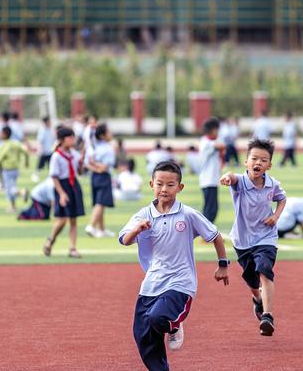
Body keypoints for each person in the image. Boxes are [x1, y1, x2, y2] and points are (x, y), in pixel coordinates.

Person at [119, 161, 229, 371]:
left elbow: (215, 235)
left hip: (180, 282)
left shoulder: (187, 214)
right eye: (159, 184)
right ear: (152, 184)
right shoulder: (144, 215)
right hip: (152, 282)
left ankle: (174, 325)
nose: (164, 189)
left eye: (170, 184)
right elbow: (124, 240)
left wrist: (223, 264)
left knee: (159, 317)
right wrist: (138, 230)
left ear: (180, 187)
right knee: (142, 334)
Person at [220, 139, 286, 336]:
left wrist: (275, 216)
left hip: (266, 238)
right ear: (246, 162)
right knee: (251, 280)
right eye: (254, 158)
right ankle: (257, 299)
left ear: (269, 165)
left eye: (263, 160)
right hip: (242, 241)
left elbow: (282, 199)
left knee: (265, 270)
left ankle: (267, 315)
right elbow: (231, 177)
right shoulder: (240, 182)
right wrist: (226, 177)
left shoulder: (272, 185)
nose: (258, 163)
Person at [43, 127, 85, 259]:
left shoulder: (74, 154)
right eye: (70, 137)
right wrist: (61, 193)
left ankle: (72, 248)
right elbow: (54, 177)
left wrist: (81, 164)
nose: (72, 140)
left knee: (73, 219)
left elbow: (80, 172)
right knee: (62, 220)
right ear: (62, 140)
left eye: (73, 137)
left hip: (74, 186)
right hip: (62, 186)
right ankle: (51, 239)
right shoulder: (56, 156)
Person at [85, 123, 116, 238]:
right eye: (108, 132)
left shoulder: (92, 147)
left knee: (99, 203)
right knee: (101, 203)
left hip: (94, 176)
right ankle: (91, 226)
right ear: (103, 135)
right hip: (103, 176)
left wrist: (94, 165)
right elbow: (105, 167)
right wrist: (98, 167)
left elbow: (87, 164)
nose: (110, 134)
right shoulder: (108, 148)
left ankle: (101, 229)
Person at [0, 126, 29, 213]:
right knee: (10, 187)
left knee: (10, 189)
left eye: (1, 133)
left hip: (6, 170)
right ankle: (12, 207)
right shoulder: (15, 143)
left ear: (5, 134)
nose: (0, 135)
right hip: (15, 169)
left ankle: (22, 192)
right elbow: (25, 151)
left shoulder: (2, 145)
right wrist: (26, 162)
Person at [199, 118, 225, 223]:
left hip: (212, 180)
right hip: (208, 180)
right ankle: (206, 234)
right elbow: (221, 145)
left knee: (212, 209)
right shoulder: (205, 141)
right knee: (210, 210)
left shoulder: (210, 141)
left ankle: (207, 234)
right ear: (213, 130)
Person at [32, 116, 55, 182]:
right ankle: (35, 175)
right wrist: (40, 150)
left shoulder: (51, 129)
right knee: (40, 164)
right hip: (44, 151)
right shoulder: (42, 130)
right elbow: (40, 141)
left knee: (51, 165)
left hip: (50, 150)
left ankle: (51, 177)